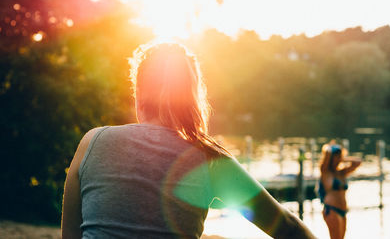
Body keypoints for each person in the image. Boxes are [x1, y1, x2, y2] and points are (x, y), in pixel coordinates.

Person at [62, 42, 316, 239]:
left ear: (138, 94)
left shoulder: (92, 141)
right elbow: (290, 229)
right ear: (192, 96)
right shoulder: (209, 159)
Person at [319, 140, 362, 239]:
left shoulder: (341, 173)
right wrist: (330, 149)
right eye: (336, 157)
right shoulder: (325, 172)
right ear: (330, 158)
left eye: (339, 156)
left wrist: (343, 159)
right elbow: (327, 153)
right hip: (331, 210)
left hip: (343, 211)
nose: (337, 159)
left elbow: (358, 162)